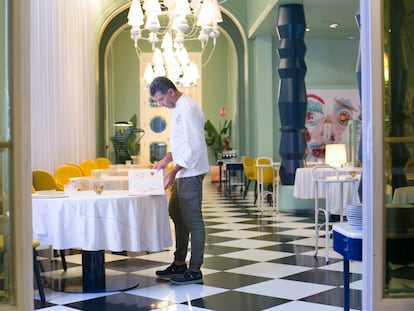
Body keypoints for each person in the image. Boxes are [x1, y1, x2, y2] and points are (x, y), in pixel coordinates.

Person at [149, 77, 209, 285]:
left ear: (170, 92)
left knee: (193, 221)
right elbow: (180, 145)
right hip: (183, 172)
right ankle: (179, 262)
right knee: (176, 213)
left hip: (191, 173)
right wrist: (165, 161)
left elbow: (194, 149)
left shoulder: (189, 109)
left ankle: (194, 269)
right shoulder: (177, 109)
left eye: (161, 99)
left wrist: (173, 171)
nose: (160, 104)